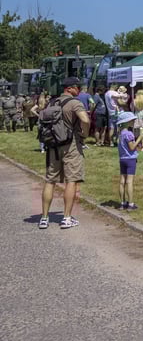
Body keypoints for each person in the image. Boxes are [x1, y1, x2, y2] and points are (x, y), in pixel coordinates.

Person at [38, 77, 91, 230]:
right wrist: (84, 135)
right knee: (71, 180)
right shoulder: (75, 103)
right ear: (70, 88)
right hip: (71, 144)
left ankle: (44, 218)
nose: (79, 90)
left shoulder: (52, 102)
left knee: (50, 180)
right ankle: (66, 218)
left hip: (53, 145)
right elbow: (85, 120)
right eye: (77, 87)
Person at [116, 111, 140, 210]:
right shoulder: (129, 134)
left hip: (122, 159)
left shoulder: (120, 134)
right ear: (127, 121)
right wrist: (139, 139)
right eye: (132, 120)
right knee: (129, 182)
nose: (134, 121)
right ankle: (130, 204)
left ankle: (122, 203)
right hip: (130, 159)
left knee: (122, 181)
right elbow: (132, 147)